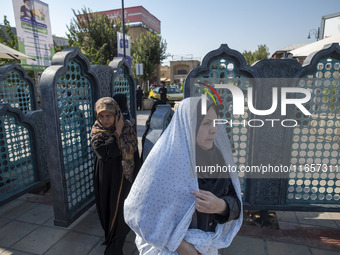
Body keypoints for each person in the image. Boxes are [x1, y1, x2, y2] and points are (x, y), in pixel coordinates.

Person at [124, 97, 242, 255]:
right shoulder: (166, 161)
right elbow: (137, 211)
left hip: (208, 245)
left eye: (215, 123)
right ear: (189, 124)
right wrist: (181, 246)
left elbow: (235, 200)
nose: (213, 130)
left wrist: (221, 206)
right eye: (206, 123)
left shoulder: (219, 158)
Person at [91, 97, 140, 255]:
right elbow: (105, 152)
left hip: (125, 178)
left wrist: (138, 177)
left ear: (116, 114)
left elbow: (135, 152)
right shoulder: (97, 131)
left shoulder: (128, 128)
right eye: (101, 116)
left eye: (109, 116)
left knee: (121, 211)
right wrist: (117, 132)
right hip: (107, 178)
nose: (105, 120)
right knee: (108, 208)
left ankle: (115, 246)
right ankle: (111, 238)